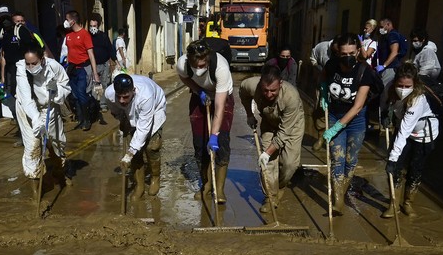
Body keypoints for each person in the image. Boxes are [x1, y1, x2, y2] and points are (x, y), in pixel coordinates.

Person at [320, 33, 377, 215]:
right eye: (343, 54)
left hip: (356, 120)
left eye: (351, 53)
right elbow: (323, 77)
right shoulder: (331, 65)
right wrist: (323, 93)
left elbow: (358, 106)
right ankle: (337, 201)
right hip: (335, 114)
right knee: (337, 158)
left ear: (358, 51)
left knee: (350, 160)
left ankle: (343, 189)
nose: (347, 57)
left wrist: (335, 129)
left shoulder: (364, 71)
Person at [239, 65, 305, 213]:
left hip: (292, 126)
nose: (269, 94)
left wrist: (267, 152)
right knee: (268, 164)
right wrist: (249, 114)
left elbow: (283, 134)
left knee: (289, 165)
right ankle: (270, 196)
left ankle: (280, 186)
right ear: (260, 83)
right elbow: (243, 93)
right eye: (265, 90)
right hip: (269, 121)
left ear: (280, 84)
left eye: (273, 91)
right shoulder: (250, 85)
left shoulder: (291, 97)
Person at [177, 39, 235, 204]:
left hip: (221, 96)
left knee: (221, 143)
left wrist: (214, 135)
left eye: (203, 65)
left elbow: (219, 106)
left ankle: (220, 188)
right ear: (189, 60)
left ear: (208, 59)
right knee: (200, 144)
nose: (199, 69)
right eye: (196, 66)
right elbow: (184, 78)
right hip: (200, 95)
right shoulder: (183, 64)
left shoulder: (221, 68)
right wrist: (198, 90)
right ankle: (207, 185)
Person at [14, 41, 72, 192]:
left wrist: (57, 90)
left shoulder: (53, 66)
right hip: (26, 110)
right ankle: (36, 191)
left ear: (42, 58)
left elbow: (66, 86)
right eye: (28, 64)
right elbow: (27, 100)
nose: (31, 67)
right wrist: (36, 120)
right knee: (33, 146)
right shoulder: (21, 70)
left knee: (56, 142)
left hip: (49, 107)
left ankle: (60, 173)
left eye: (34, 63)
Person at [382, 63, 439, 218]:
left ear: (415, 84)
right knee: (396, 170)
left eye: (408, 86)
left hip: (424, 135)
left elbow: (404, 131)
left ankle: (407, 203)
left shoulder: (418, 99)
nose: (403, 89)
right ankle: (393, 204)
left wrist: (392, 158)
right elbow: (385, 102)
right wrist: (384, 115)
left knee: (415, 168)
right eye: (400, 85)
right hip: (403, 127)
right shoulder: (390, 87)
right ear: (395, 82)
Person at [105, 73, 166, 200]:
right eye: (119, 97)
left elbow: (143, 128)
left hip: (154, 109)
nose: (121, 100)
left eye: (125, 97)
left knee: (151, 147)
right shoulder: (109, 94)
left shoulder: (146, 96)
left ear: (133, 91)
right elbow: (114, 108)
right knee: (136, 154)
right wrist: (121, 117)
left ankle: (155, 177)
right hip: (128, 113)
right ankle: (140, 185)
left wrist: (129, 153)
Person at [0, 6, 35, 146]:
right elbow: (3, 56)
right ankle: (23, 132)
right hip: (11, 72)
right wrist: (3, 76)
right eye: (2, 18)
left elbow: (33, 49)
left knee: (25, 102)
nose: (5, 21)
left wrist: (31, 68)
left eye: (7, 17)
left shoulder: (20, 30)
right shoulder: (2, 34)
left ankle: (31, 132)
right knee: (14, 104)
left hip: (23, 70)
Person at [64, 10, 99, 131]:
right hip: (72, 69)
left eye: (67, 19)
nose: (65, 22)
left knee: (82, 93)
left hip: (83, 69)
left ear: (73, 21)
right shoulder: (68, 36)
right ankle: (81, 118)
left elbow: (91, 54)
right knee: (75, 95)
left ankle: (87, 119)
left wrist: (95, 73)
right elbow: (68, 53)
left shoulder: (84, 34)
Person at [309, 36, 340, 151]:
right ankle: (321, 137)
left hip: (339, 86)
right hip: (323, 83)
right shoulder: (321, 48)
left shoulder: (345, 55)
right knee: (320, 112)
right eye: (335, 51)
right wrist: (319, 69)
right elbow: (312, 59)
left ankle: (335, 140)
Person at [377, 17, 407, 113]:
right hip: (389, 68)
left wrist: (384, 65)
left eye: (382, 26)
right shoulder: (388, 36)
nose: (380, 29)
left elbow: (394, 52)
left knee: (385, 93)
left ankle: (384, 118)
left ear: (388, 25)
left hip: (390, 69)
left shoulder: (392, 36)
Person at [87, 14, 115, 117]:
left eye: (94, 26)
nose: (92, 28)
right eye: (91, 26)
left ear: (98, 25)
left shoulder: (103, 36)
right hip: (92, 65)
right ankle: (94, 104)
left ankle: (103, 104)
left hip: (104, 64)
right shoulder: (87, 36)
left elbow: (109, 48)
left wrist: (114, 60)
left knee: (104, 84)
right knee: (92, 86)